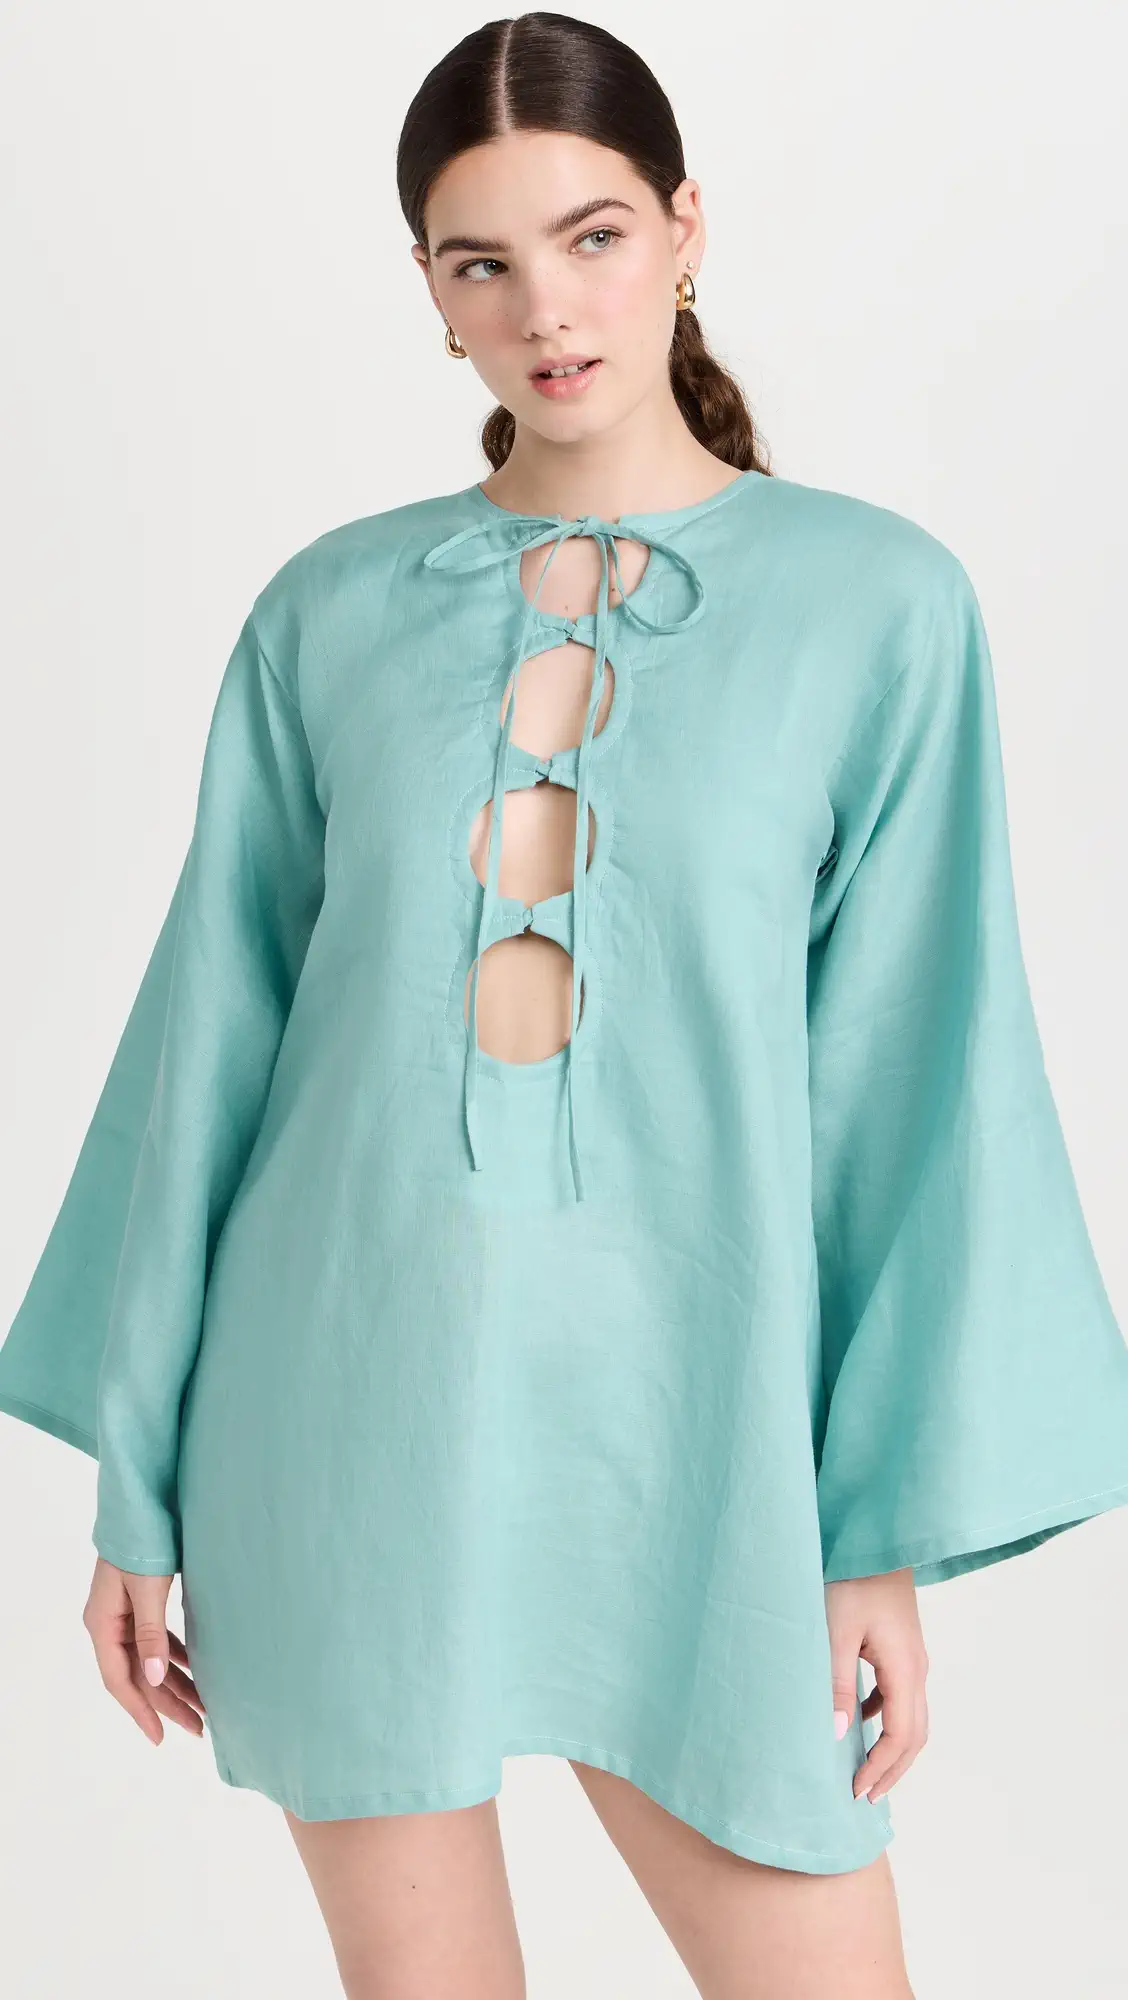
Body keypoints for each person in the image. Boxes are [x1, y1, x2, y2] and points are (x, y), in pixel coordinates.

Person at [2, 12, 1127, 1999]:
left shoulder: (879, 606)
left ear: (687, 231)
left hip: (697, 1449)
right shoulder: (325, 613)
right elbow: (209, 1055)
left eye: (594, 236)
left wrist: (870, 1533)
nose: (546, 307)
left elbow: (916, 1086)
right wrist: (141, 1487)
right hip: (338, 1416)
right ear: (430, 292)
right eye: (483, 261)